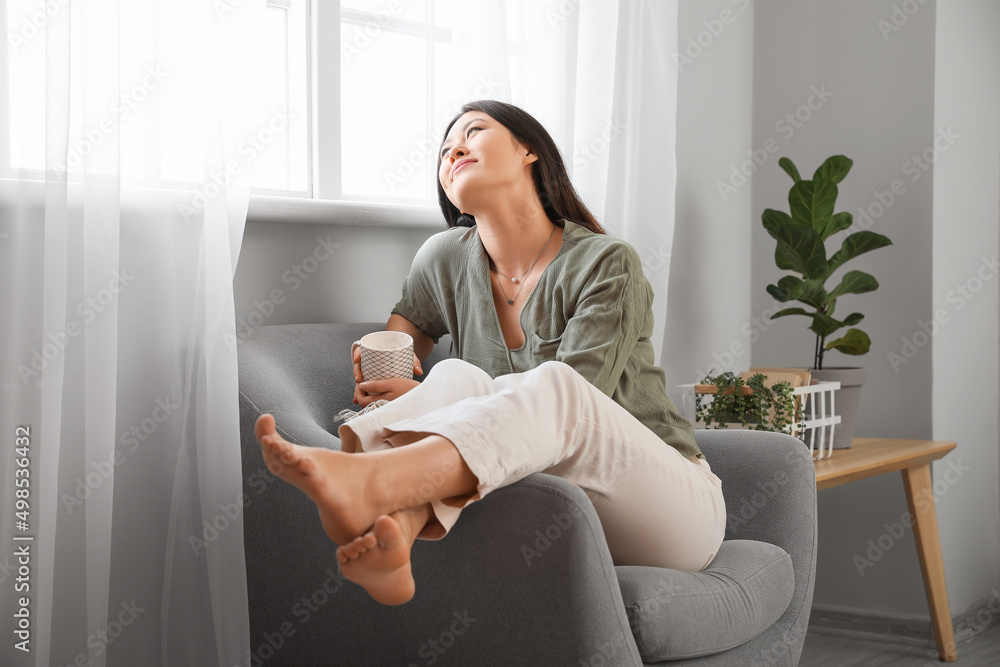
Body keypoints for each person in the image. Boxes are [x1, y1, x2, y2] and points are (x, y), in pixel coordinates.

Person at [255, 100, 726, 606]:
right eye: (442, 152)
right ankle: (396, 530)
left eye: (473, 132)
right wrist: (390, 368)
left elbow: (581, 404)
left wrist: (438, 401)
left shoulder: (605, 261)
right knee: (456, 374)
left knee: (553, 386)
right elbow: (401, 341)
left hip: (671, 507)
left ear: (529, 151)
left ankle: (370, 483)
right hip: (552, 503)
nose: (453, 149)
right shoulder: (444, 257)